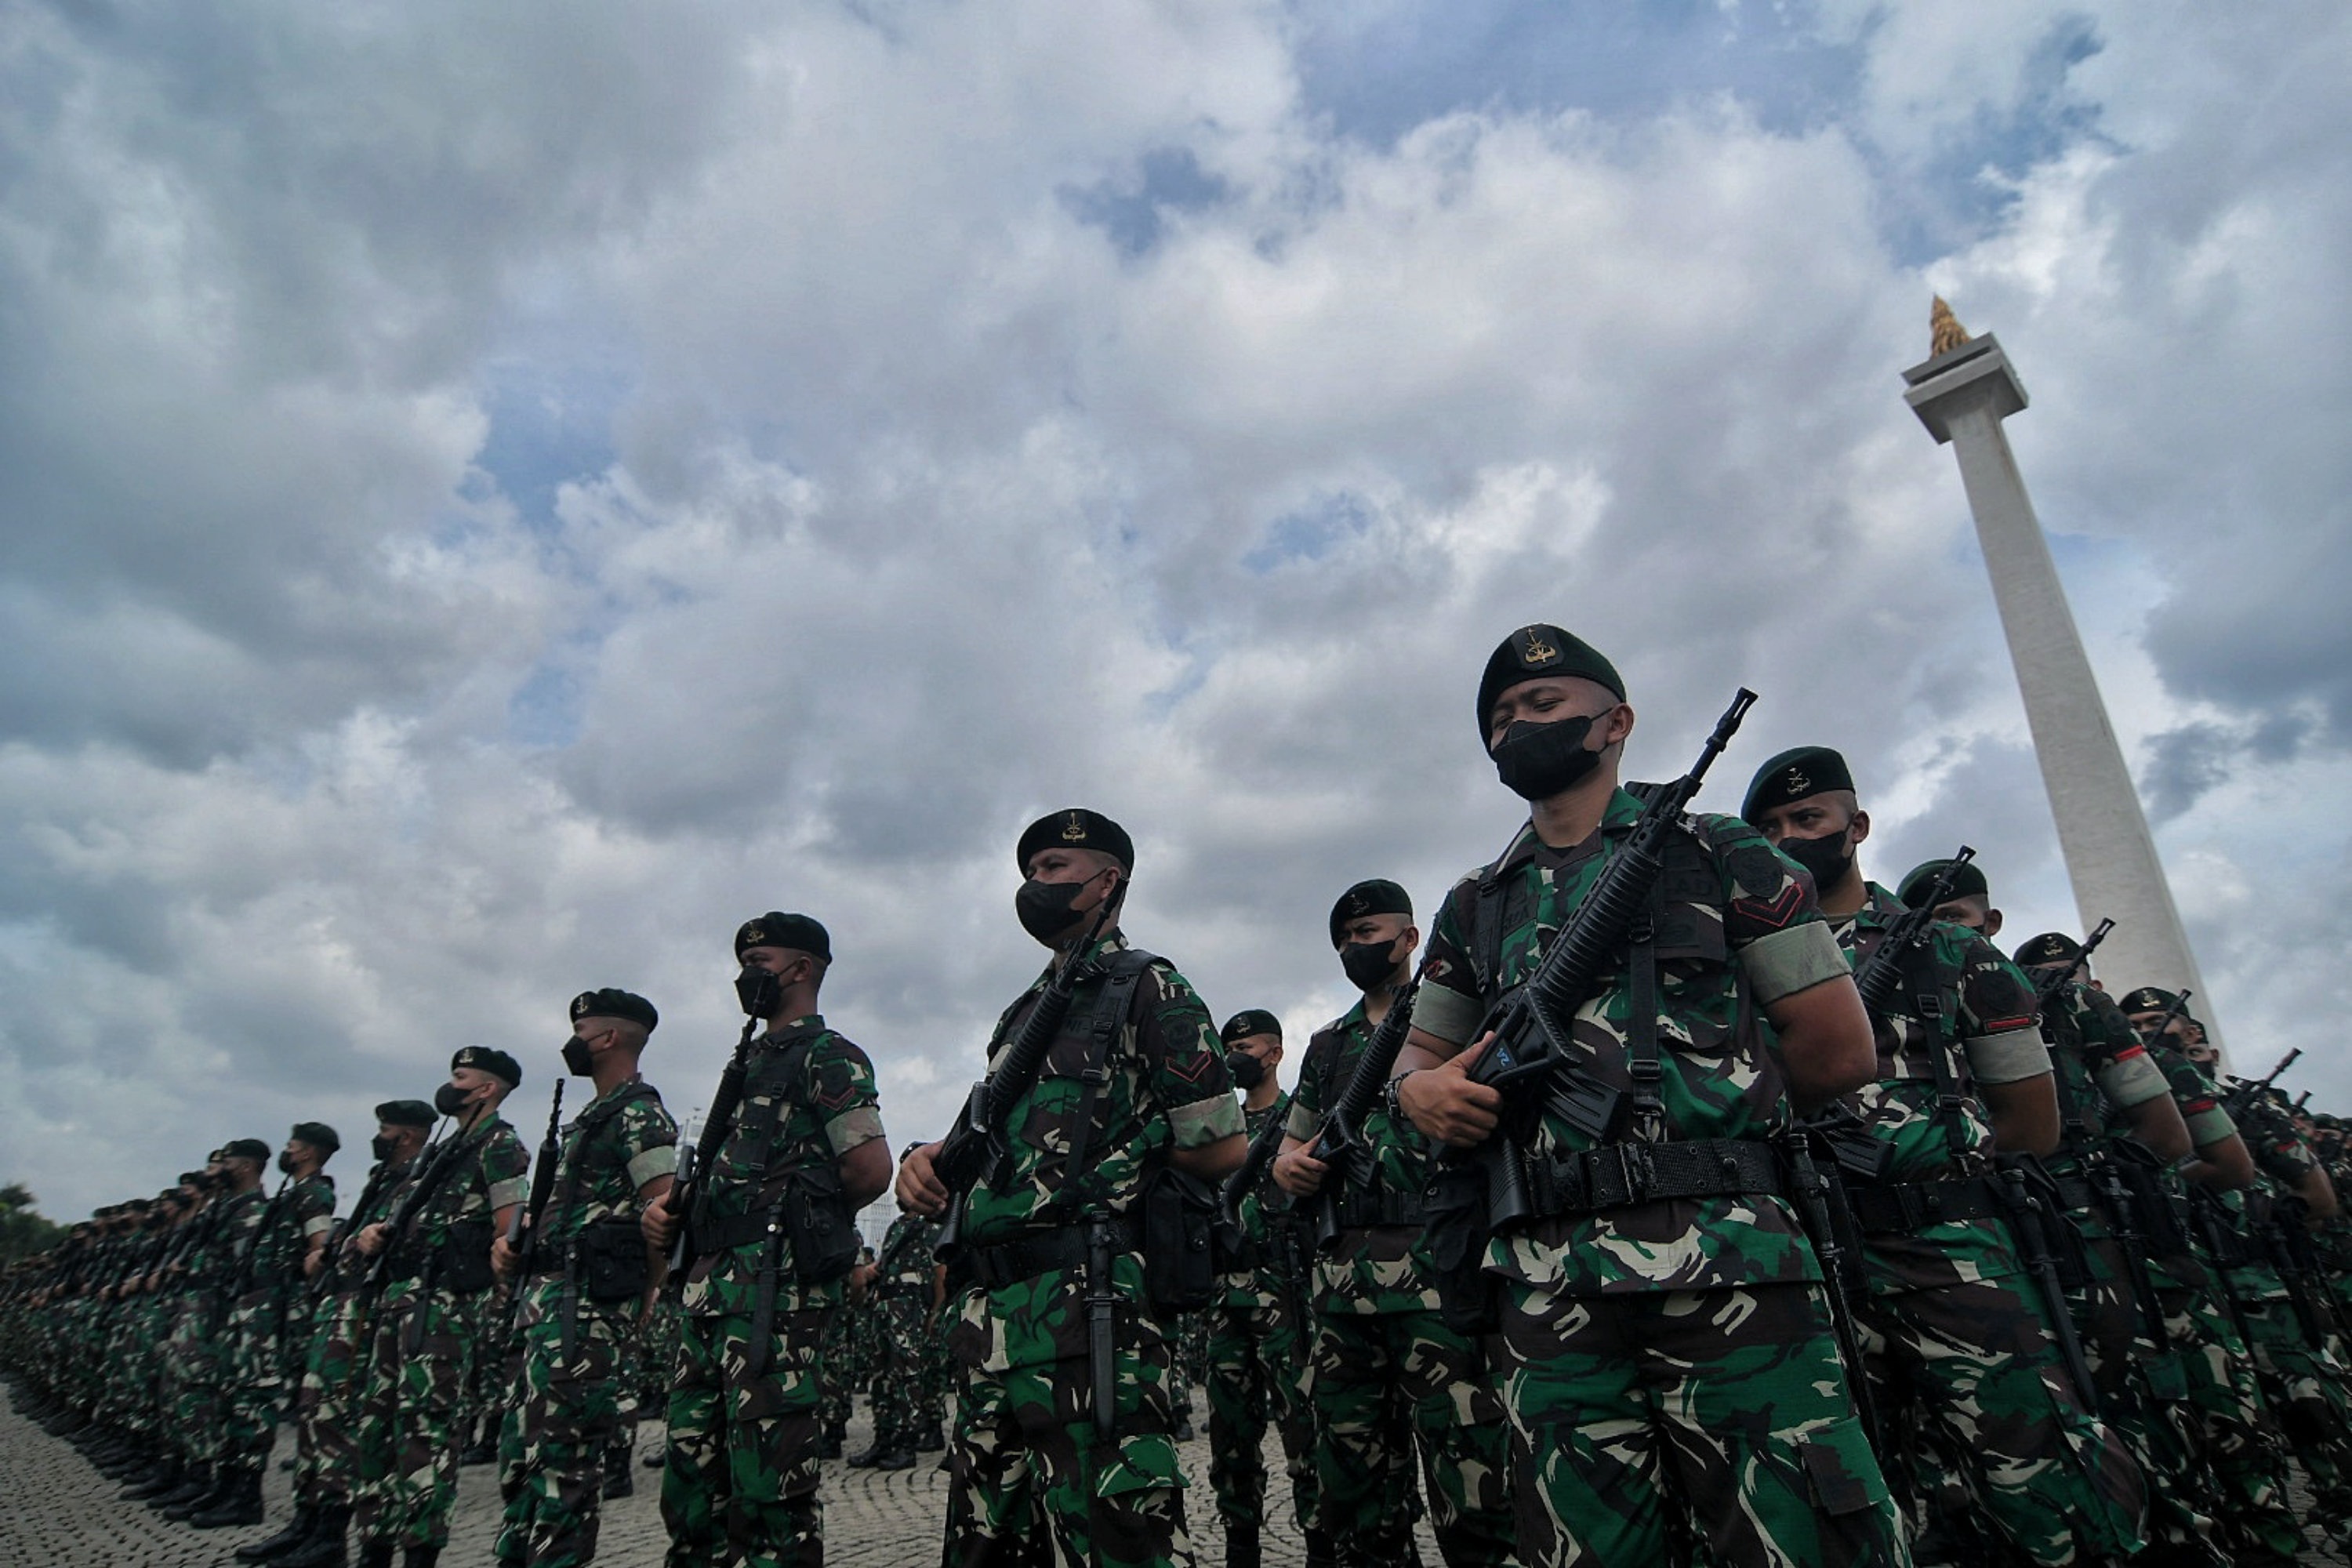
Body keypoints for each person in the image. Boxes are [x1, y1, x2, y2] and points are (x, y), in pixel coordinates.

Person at [1392, 625, 1900, 1568]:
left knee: (1799, 1534)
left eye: (1543, 705)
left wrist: (1707, 1138)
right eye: (1500, 717)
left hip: (1729, 1259)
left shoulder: (1723, 851)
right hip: (1546, 1284)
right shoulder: (1476, 902)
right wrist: (1422, 1091)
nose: (1518, 726)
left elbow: (1837, 1048)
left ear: (1615, 721)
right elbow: (1419, 1056)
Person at [1744, 751, 2144, 1564]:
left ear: (1856, 827)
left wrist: (1926, 1156)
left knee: (2037, 1471)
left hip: (1952, 1253)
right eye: (1772, 829)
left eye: (1808, 820)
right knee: (1869, 1491)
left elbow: (2031, 1123)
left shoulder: (1951, 953)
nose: (1790, 837)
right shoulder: (1742, 962)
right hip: (1816, 1253)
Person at [896, 808, 1246, 1568]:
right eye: (1032, 870)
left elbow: (1220, 1141)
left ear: (1107, 880)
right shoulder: (1021, 1011)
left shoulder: (1149, 984)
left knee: (1118, 1535)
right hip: (992, 1316)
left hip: (1088, 1306)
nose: (1036, 884)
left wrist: (1113, 1182)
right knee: (987, 1542)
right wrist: (925, 1161)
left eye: (1054, 867)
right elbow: (993, 1140)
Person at [1275, 882, 1519, 1568]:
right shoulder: (1327, 1047)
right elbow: (1291, 1148)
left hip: (1441, 1279)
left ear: (1411, 938)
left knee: (1474, 1486)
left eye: (1369, 931)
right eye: (1346, 938)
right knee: (1354, 1491)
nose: (1358, 946)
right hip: (1344, 1291)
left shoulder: (1457, 1023)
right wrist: (1288, 1170)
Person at [641, 912, 891, 1568]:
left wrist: (796, 1223)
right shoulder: (750, 1060)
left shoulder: (827, 1054)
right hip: (710, 1292)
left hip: (771, 1299)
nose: (746, 977)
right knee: (693, 1484)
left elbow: (868, 1170)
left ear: (802, 969)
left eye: (760, 964)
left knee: (769, 1488)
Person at [492, 989, 677, 1568]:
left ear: (608, 1039)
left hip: (588, 1311)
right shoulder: (587, 1120)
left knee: (564, 1459)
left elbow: (664, 1214)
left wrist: (644, 1298)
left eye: (581, 1029)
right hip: (549, 1305)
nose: (572, 1040)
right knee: (522, 1456)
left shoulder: (639, 1114)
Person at [349, 1051, 530, 1568]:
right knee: (376, 1428)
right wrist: (372, 1234)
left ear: (486, 1090)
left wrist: (487, 1300)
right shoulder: (442, 1150)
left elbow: (508, 1233)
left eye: (460, 1078)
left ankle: (420, 1552)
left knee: (426, 1433)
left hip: (445, 1307)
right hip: (398, 1301)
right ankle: (375, 1544)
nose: (449, 1086)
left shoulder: (500, 1146)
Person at [251, 1101, 438, 1568]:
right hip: (343, 1302)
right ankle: (308, 1522)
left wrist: (342, 1247)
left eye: (385, 1129)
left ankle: (330, 1533)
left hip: (365, 1310)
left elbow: (389, 1238)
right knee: (316, 1412)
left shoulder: (416, 1180)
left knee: (336, 1416)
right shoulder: (380, 1179)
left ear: (408, 1136)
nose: (378, 1135)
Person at [1204, 1010, 1321, 1568]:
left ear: (1273, 1053)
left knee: (1306, 1433)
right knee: (1231, 1438)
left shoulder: (1300, 1118)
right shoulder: (1217, 1129)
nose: (1235, 1057)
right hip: (1224, 1299)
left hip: (1284, 1293)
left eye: (1245, 1046)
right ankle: (1240, 1547)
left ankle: (1322, 1543)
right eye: (1228, 1047)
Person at [194, 1123, 342, 1530]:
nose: (287, 1150)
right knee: (235, 1395)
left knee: (254, 1400)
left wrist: (299, 1302)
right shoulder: (289, 1193)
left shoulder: (313, 1194)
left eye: (293, 1145)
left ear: (308, 1152)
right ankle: (229, 1485)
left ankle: (246, 1496)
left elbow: (319, 1251)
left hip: (274, 1313)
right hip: (254, 1308)